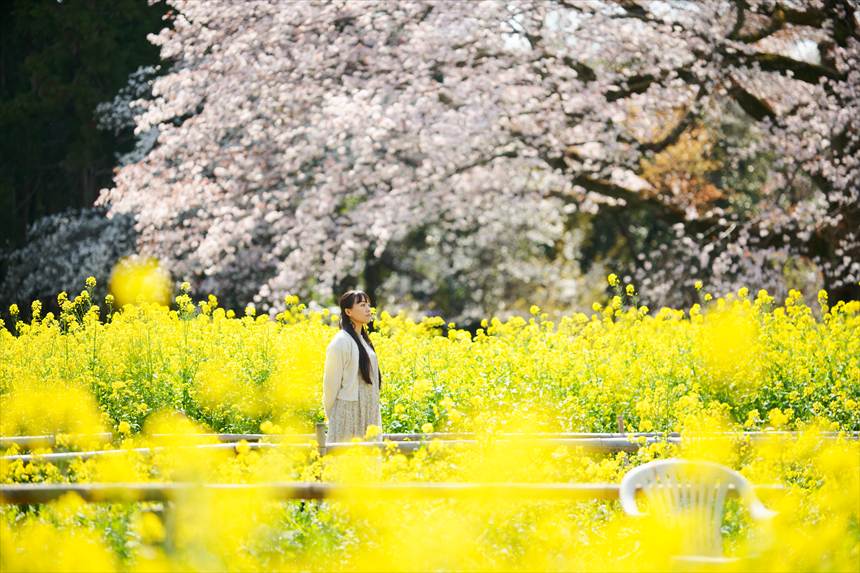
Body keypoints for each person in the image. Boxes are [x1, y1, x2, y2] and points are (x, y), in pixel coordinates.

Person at [323, 290, 383, 444]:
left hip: (369, 411)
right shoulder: (340, 342)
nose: (368, 309)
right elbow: (330, 387)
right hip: (348, 414)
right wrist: (336, 418)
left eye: (368, 304)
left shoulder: (364, 340)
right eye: (362, 305)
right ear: (348, 311)